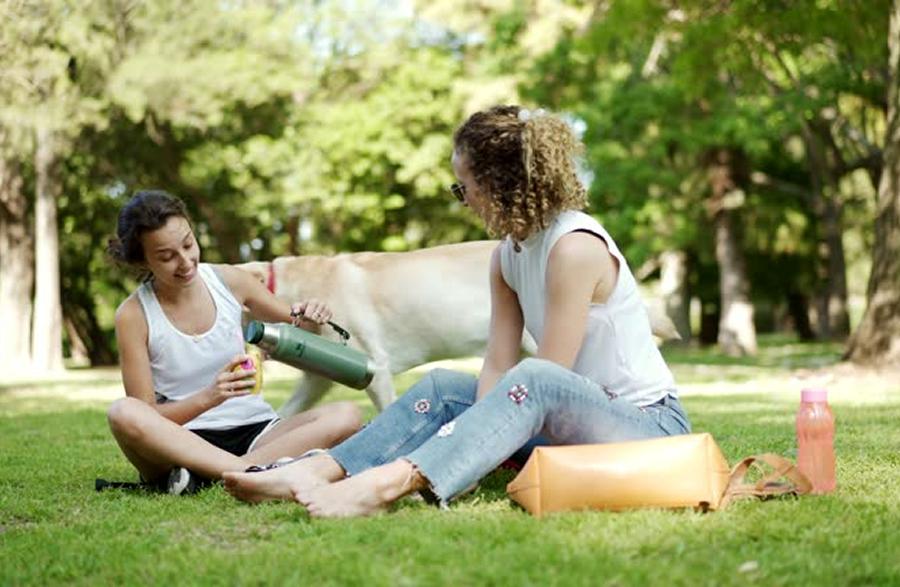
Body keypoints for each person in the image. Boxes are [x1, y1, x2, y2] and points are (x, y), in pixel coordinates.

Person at [223, 105, 691, 516]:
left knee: (536, 379)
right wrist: (471, 440)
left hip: (645, 425)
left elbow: (550, 381)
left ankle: (383, 486)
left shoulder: (573, 247)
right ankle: (316, 470)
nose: (462, 200)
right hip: (567, 421)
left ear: (496, 185)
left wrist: (468, 445)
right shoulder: (506, 255)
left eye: (462, 187)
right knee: (445, 385)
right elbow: (497, 366)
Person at [105, 190, 362, 494]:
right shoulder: (133, 315)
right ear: (142, 260)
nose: (186, 262)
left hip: (257, 432)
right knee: (123, 412)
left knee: (347, 414)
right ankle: (251, 472)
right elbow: (146, 412)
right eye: (166, 256)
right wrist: (209, 397)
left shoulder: (229, 281)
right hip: (182, 440)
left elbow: (299, 326)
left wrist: (311, 314)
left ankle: (215, 475)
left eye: (188, 244)